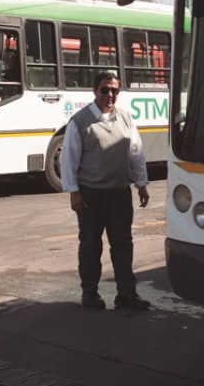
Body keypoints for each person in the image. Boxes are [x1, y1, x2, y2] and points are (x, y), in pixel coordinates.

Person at [60, 71, 151, 310]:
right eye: (105, 90)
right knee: (91, 245)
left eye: (114, 91)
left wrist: (141, 183)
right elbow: (68, 160)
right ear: (95, 92)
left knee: (123, 244)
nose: (110, 95)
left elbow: (135, 153)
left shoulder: (125, 119)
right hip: (91, 195)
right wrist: (74, 191)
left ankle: (126, 294)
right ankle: (90, 293)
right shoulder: (80, 122)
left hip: (120, 193)